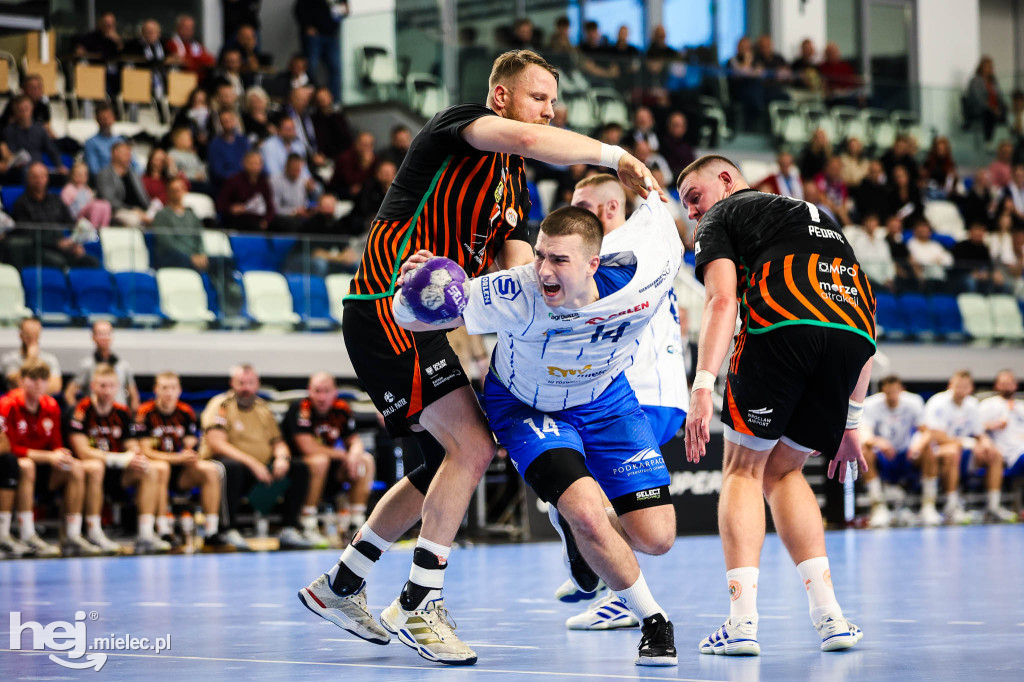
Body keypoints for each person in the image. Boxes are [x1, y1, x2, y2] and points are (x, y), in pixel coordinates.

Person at [294, 49, 663, 666]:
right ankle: (419, 601)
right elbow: (526, 137)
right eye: (540, 97)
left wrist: (565, 299)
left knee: (442, 460)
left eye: (553, 101)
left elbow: (517, 265)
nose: (549, 109)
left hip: (426, 321)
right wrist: (614, 155)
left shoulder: (513, 184)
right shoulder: (458, 129)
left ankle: (343, 585)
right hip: (388, 302)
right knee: (471, 447)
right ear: (502, 97)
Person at [391, 198, 682, 666]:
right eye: (541, 254)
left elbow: (664, 222)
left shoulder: (645, 274)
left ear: (594, 264)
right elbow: (412, 317)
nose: (542, 268)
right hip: (526, 406)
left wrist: (642, 183)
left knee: (657, 537)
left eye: (558, 260)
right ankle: (654, 621)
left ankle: (575, 529)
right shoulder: (515, 290)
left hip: (607, 399)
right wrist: (416, 287)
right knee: (587, 511)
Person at [680, 154, 873, 655]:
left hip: (783, 328)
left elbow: (722, 299)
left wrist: (702, 384)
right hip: (850, 341)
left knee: (743, 470)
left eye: (694, 199)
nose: (694, 215)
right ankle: (830, 617)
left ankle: (741, 624)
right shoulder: (822, 218)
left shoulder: (725, 214)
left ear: (726, 181)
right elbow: (863, 315)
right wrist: (852, 418)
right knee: (784, 473)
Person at [558, 174, 689, 630]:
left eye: (582, 204)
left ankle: (614, 592)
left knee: (588, 500)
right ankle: (591, 565)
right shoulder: (643, 248)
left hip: (640, 396)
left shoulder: (617, 254)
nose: (571, 213)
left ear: (611, 210)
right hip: (656, 392)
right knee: (575, 490)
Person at [199, 364, 311, 550]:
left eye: (250, 383)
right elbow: (216, 443)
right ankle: (227, 529)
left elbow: (278, 441)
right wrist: (252, 463)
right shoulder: (221, 405)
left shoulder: (262, 407)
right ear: (232, 384)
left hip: (260, 469)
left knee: (299, 468)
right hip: (229, 466)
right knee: (231, 468)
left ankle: (288, 528)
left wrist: (282, 458)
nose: (245, 388)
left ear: (257, 384)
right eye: (241, 383)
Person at [67, 364, 171, 554]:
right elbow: (82, 451)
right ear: (92, 386)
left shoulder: (122, 412)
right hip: (89, 473)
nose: (107, 391)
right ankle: (93, 532)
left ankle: (146, 534)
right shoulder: (81, 411)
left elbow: (131, 444)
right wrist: (119, 459)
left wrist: (134, 455)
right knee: (95, 466)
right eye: (102, 386)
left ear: (119, 387)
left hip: (118, 473)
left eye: (111, 386)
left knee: (149, 468)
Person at [0, 359, 93, 557]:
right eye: (33, 379)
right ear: (21, 381)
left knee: (76, 467)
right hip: (17, 469)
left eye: (43, 379)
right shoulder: (8, 405)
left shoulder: (51, 405)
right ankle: (26, 534)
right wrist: (49, 456)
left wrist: (62, 454)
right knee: (27, 465)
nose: (38, 384)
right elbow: (9, 448)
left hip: (46, 468)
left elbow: (57, 444)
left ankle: (73, 536)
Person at [137, 371, 230, 549]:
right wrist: (176, 458)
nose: (169, 393)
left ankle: (211, 531)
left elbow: (190, 445)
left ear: (179, 390)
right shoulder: (145, 412)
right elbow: (145, 450)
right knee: (162, 467)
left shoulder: (185, 412)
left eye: (172, 388)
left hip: (181, 472)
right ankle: (164, 530)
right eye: (164, 388)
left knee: (211, 470)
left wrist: (190, 455)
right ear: (156, 390)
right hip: (155, 470)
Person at [283, 372, 376, 546]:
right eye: (317, 391)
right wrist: (343, 454)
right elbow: (307, 447)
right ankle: (307, 525)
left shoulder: (341, 408)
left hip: (330, 471)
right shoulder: (301, 408)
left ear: (335, 392)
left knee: (366, 460)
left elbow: (354, 440)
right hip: (298, 470)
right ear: (309, 391)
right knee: (320, 460)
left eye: (326, 391)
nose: (322, 397)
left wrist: (355, 453)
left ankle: (356, 525)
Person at [922, 370, 1014, 523]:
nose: (961, 390)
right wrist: (970, 444)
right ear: (950, 385)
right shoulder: (937, 402)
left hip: (965, 451)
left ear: (971, 388)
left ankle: (993, 507)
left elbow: (979, 433)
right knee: (952, 452)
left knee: (994, 454)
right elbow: (937, 436)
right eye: (958, 386)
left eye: (965, 387)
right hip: (938, 451)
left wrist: (985, 443)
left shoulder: (972, 404)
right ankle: (951, 507)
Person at [859, 375, 934, 528]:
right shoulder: (871, 404)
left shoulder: (914, 402)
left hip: (907, 454)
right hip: (884, 456)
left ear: (902, 390)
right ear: (882, 392)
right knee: (865, 451)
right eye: (888, 393)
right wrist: (879, 442)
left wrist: (918, 445)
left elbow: (927, 432)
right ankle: (878, 507)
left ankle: (928, 506)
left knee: (929, 449)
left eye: (895, 392)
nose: (892, 396)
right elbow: (865, 434)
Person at [8, 163, 100, 270]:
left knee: (92, 262)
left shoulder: (56, 200)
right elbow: (27, 233)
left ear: (47, 178)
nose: (38, 180)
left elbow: (71, 224)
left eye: (42, 176)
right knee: (59, 263)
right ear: (28, 179)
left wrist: (76, 243)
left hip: (63, 246)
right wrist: (56, 243)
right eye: (34, 177)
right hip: (38, 249)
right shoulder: (21, 203)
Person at [64, 321, 140, 412]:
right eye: (100, 334)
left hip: (119, 418)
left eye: (107, 333)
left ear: (112, 336)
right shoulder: (86, 365)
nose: (104, 337)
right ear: (93, 337)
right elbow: (69, 394)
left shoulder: (123, 365)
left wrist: (131, 417)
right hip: (94, 418)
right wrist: (79, 414)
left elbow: (134, 395)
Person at [980, 370, 1024, 495]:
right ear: (997, 385)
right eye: (1003, 383)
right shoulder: (989, 405)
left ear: (1015, 385)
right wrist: (991, 425)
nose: (1007, 386)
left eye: (1010, 383)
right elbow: (975, 428)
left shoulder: (1021, 406)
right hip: (1009, 454)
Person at [151, 177, 207, 269]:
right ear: (168, 192)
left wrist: (202, 254)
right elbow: (167, 243)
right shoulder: (162, 215)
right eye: (174, 190)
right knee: (182, 259)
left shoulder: (192, 214)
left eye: (180, 189)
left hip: (194, 257)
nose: (178, 193)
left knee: (224, 261)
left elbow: (199, 238)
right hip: (172, 256)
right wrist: (191, 256)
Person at [295, 0, 346, 100]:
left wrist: (345, 10)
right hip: (315, 37)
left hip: (331, 35)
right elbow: (299, 8)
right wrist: (307, 26)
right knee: (310, 67)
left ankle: (333, 101)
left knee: (336, 68)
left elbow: (343, 8)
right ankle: (311, 100)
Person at [96, 141, 153, 228]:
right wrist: (133, 210)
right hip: (120, 211)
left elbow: (143, 196)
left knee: (161, 218)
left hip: (142, 210)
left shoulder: (134, 174)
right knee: (134, 220)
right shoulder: (105, 174)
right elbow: (109, 200)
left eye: (129, 153)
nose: (129, 156)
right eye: (125, 153)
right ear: (114, 153)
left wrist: (149, 209)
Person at [217, 150, 275, 231]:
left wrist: (266, 221)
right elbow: (220, 204)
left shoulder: (263, 182)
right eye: (251, 163)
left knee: (281, 224)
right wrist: (231, 208)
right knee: (251, 225)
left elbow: (270, 207)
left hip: (260, 219)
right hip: (240, 219)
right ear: (244, 163)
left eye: (257, 164)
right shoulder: (234, 180)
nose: (254, 167)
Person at [1, 317, 62, 395]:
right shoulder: (9, 359)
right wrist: (31, 359)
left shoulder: (50, 359)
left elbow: (55, 387)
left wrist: (33, 393)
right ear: (20, 335)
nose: (32, 338)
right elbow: (17, 383)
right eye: (28, 334)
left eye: (35, 334)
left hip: (43, 404)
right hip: (17, 404)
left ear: (39, 335)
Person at [208, 108, 251, 191]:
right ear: (220, 124)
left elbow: (249, 162)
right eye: (225, 121)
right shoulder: (215, 144)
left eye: (230, 120)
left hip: (245, 182)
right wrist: (239, 178)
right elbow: (218, 172)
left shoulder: (243, 141)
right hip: (226, 186)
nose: (228, 124)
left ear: (235, 121)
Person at [966, 56, 1007, 142]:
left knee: (1005, 109)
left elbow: (1000, 96)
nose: (989, 69)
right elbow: (979, 99)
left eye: (990, 66)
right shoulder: (976, 81)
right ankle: (988, 140)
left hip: (994, 108)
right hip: (980, 109)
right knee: (989, 113)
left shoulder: (993, 82)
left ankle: (1004, 139)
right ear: (981, 67)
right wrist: (991, 108)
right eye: (987, 66)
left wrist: (1000, 107)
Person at [61, 161, 112, 227]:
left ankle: (104, 228)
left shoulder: (87, 189)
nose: (81, 176)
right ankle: (93, 230)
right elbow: (64, 208)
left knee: (105, 204)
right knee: (96, 206)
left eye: (84, 174)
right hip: (77, 218)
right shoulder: (68, 189)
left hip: (88, 217)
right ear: (72, 175)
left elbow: (90, 204)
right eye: (78, 174)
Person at [167, 14, 217, 81]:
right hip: (182, 80)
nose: (189, 31)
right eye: (186, 28)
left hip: (200, 81)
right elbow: (183, 62)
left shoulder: (197, 44)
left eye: (191, 28)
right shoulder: (172, 43)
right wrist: (199, 61)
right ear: (178, 28)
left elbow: (211, 61)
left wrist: (195, 60)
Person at [83, 103, 123, 177]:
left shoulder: (121, 141)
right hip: (104, 181)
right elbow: (94, 170)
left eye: (109, 118)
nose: (107, 122)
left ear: (114, 118)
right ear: (97, 120)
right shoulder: (91, 143)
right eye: (103, 119)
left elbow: (136, 166)